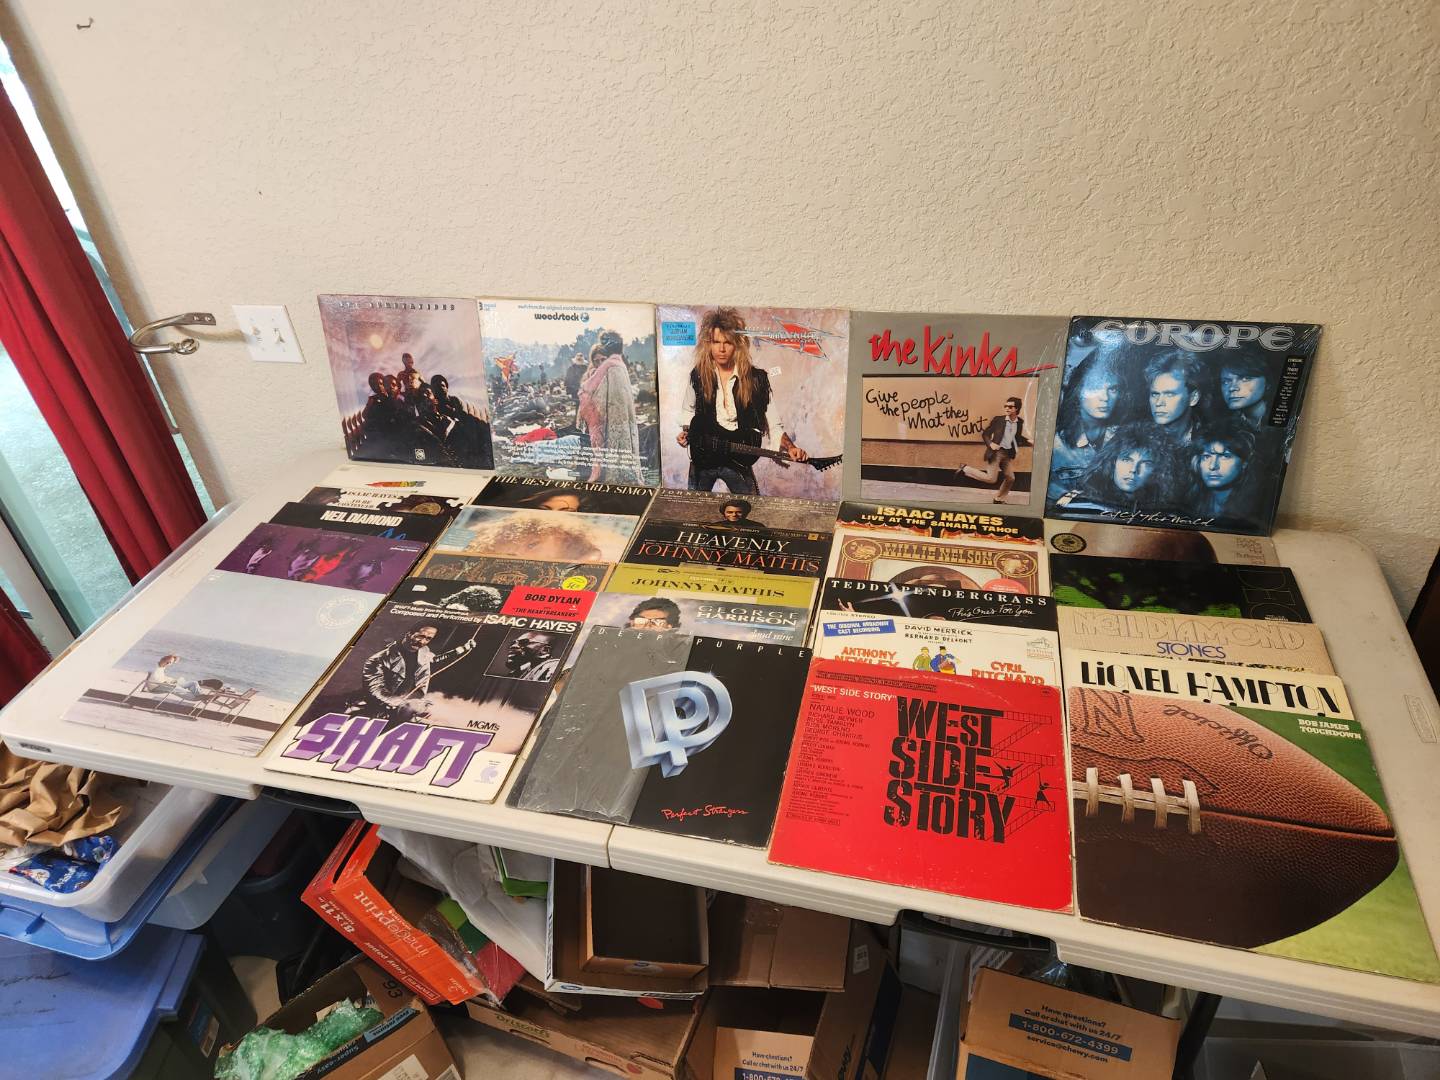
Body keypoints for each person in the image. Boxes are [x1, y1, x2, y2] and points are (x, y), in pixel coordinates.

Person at [677, 307, 808, 494]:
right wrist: (687, 432)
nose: (721, 349)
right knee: (694, 507)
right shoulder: (698, 375)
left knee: (751, 506)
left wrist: (791, 447)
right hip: (704, 457)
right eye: (716, 342)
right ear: (708, 344)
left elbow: (774, 424)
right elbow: (688, 411)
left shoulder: (756, 379)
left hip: (737, 457)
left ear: (737, 344)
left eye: (728, 343)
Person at [354, 623, 476, 729]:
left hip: (410, 708)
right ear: (409, 633)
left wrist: (463, 648)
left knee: (449, 723)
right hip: (381, 712)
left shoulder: (424, 651)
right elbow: (375, 689)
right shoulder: (379, 659)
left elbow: (435, 660)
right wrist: (404, 703)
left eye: (428, 639)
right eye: (420, 636)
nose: (422, 642)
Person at [1049, 350, 1127, 499]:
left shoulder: (1126, 438)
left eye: (1112, 389)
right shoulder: (1055, 444)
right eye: (1095, 387)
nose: (1104, 397)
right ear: (1078, 390)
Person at [1057, 422, 1176, 515]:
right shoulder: (1080, 503)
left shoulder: (1162, 511)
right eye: (1126, 460)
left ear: (1156, 470)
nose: (1133, 469)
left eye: (1145, 463)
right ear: (1113, 461)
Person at [577, 332, 643, 483]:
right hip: (607, 416)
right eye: (596, 360)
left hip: (613, 415)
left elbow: (587, 389)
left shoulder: (610, 366)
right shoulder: (617, 365)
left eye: (602, 359)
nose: (600, 362)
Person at [1188, 419, 1262, 524]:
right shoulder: (1193, 500)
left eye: (1225, 456)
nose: (1213, 466)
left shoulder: (1253, 509)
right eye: (1206, 456)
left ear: (1244, 462)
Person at [958, 396, 1029, 503]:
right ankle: (965, 468)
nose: (1007, 408)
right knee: (991, 479)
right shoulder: (998, 420)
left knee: (1010, 478)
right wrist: (991, 444)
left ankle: (998, 499)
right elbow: (985, 434)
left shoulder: (1019, 422)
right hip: (996, 453)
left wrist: (1029, 441)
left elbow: (1017, 438)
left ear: (1017, 408)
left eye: (1010, 407)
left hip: (1007, 454)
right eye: (1005, 406)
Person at [1144, 351, 1203, 445]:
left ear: (1193, 398)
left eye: (1169, 394)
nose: (1159, 403)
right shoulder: (1140, 440)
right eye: (1155, 394)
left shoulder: (1208, 441)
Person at [1217, 354, 1271, 429]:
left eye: (1245, 379)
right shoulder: (1222, 427)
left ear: (1267, 383)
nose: (1232, 388)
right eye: (1225, 382)